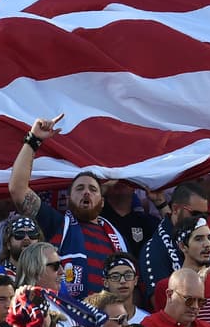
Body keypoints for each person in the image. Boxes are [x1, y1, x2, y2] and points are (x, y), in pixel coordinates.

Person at [10, 115, 129, 300]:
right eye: (79, 188)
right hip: (68, 316)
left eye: (93, 189)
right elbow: (18, 190)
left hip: (110, 318)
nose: (86, 193)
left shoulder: (117, 236)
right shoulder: (57, 223)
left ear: (102, 201)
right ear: (69, 198)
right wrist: (33, 140)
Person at [140, 182, 210, 298]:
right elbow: (160, 302)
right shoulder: (155, 249)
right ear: (175, 209)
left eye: (205, 216)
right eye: (195, 214)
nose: (200, 220)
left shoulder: (205, 239)